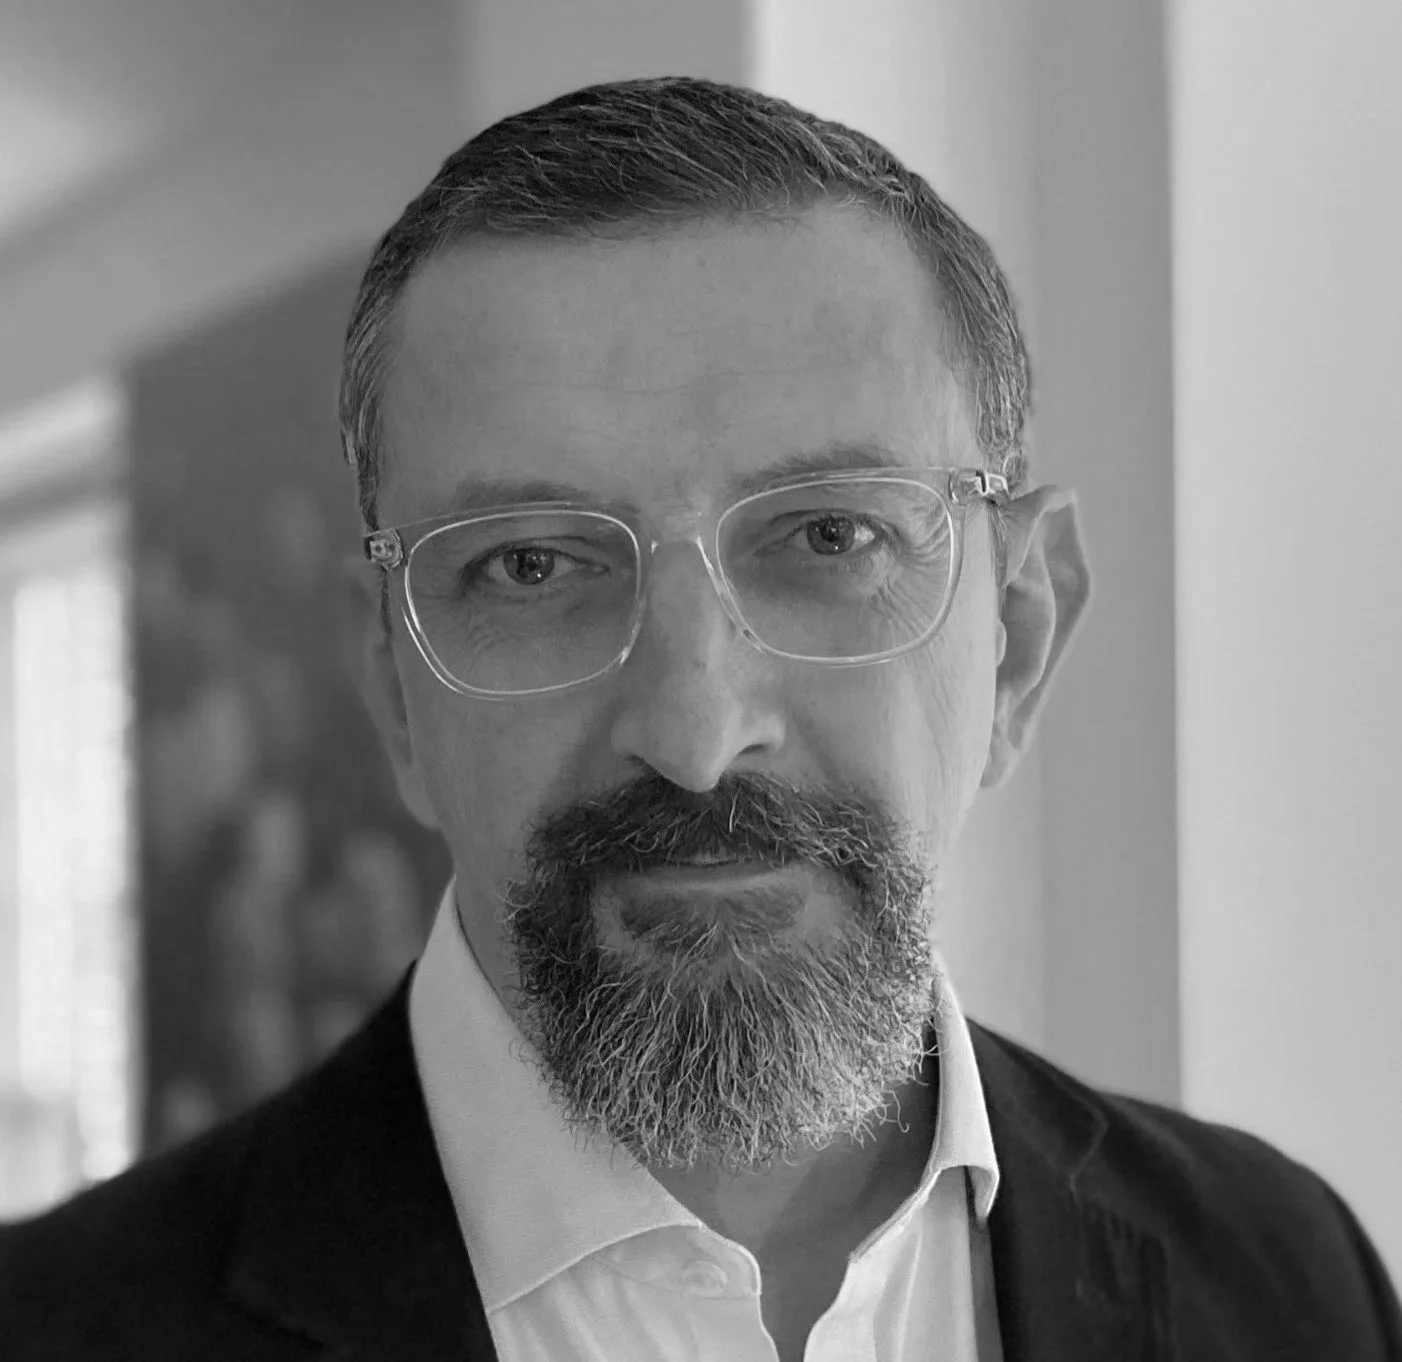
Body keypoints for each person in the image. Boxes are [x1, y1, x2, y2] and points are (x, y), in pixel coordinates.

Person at [2, 75, 1398, 1362]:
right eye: (531, 565)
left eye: (830, 535)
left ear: (1019, 637)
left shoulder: (1291, 1281)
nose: (691, 728)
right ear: (395, 695)